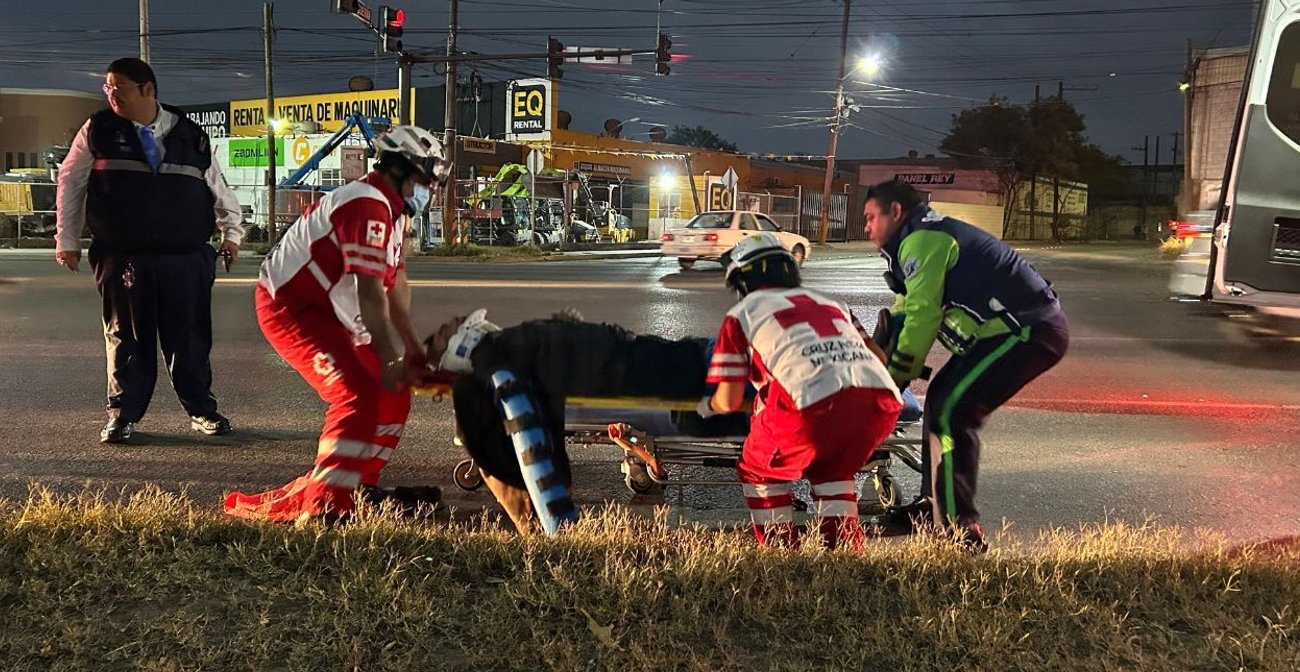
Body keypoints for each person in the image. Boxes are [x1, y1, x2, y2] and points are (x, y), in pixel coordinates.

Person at [222, 125, 446, 524]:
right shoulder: (365, 204)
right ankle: (325, 509)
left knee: (394, 392)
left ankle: (359, 486)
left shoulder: (395, 212)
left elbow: (396, 285)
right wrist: (391, 356)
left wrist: (411, 351)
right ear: (399, 170)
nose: (429, 190)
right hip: (293, 308)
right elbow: (371, 293)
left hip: (336, 313)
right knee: (356, 394)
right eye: (425, 179)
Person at [862, 180, 1070, 553]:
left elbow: (923, 317)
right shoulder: (916, 239)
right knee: (941, 398)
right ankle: (933, 506)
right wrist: (884, 355)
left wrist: (896, 379)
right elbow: (905, 311)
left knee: (952, 411)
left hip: (1025, 330)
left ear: (895, 212)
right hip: (1007, 330)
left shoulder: (923, 240)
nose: (866, 227)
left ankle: (959, 528)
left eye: (871, 217)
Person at [55, 57, 244, 444]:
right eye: (107, 88)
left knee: (190, 337)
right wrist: (67, 239)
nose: (111, 95)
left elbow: (217, 186)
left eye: (119, 88)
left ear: (148, 89)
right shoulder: (99, 130)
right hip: (123, 255)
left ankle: (202, 409)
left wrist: (232, 233)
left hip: (186, 258)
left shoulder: (190, 135)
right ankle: (122, 414)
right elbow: (71, 182)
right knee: (126, 336)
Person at [698, 233, 904, 550]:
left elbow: (728, 400)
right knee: (833, 469)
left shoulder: (742, 315)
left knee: (758, 470)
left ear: (742, 282)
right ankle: (843, 553)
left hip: (809, 408)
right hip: (880, 403)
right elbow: (879, 358)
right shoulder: (834, 305)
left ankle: (782, 553)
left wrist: (706, 406)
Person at [426, 309, 713, 535]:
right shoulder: (501, 364)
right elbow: (532, 444)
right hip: (670, 371)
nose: (452, 320)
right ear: (458, 348)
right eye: (444, 331)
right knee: (698, 360)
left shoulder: (506, 351)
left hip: (662, 362)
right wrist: (559, 525)